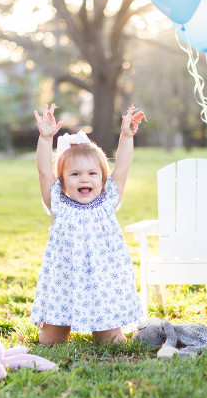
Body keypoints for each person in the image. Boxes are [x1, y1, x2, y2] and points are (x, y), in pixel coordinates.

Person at [31, 103, 146, 345]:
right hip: (65, 283)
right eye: (75, 174)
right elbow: (44, 171)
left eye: (92, 174)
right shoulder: (58, 203)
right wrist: (45, 138)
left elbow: (122, 168)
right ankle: (59, 327)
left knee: (113, 343)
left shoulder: (108, 200)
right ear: (62, 181)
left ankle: (104, 329)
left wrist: (126, 136)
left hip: (101, 285)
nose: (85, 178)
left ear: (103, 180)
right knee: (49, 343)